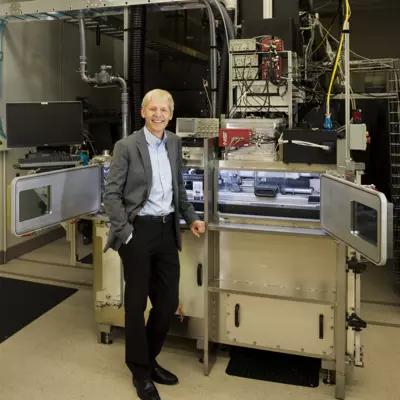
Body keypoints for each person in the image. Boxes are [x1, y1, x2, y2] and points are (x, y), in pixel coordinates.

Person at [103, 89, 206, 400]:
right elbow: (111, 194)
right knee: (135, 306)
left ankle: (148, 359)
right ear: (143, 112)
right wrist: (126, 233)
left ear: (170, 114)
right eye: (153, 109)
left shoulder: (174, 142)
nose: (159, 114)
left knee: (166, 304)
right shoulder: (126, 146)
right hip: (138, 232)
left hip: (166, 231)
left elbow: (179, 190)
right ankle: (140, 371)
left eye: (164, 110)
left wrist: (192, 217)